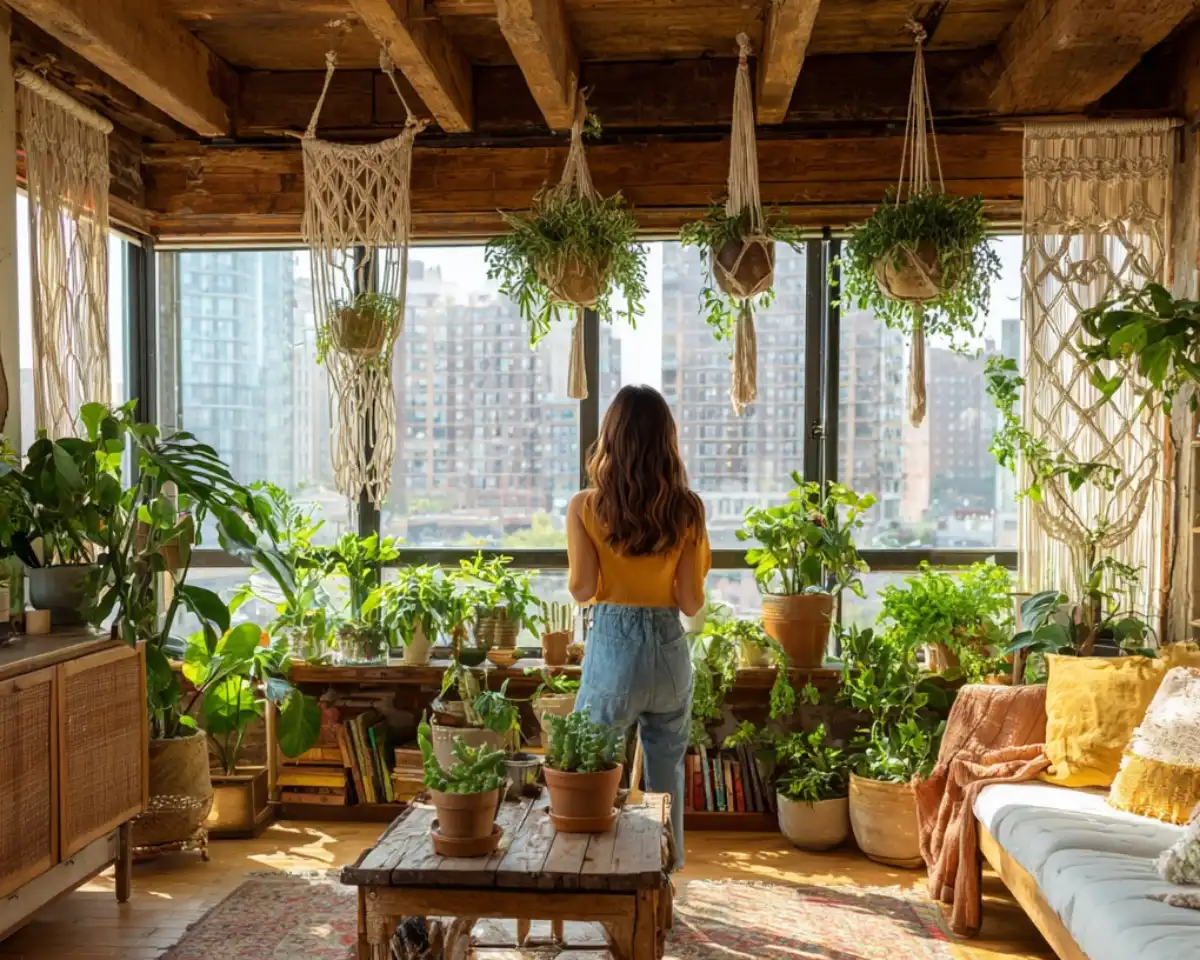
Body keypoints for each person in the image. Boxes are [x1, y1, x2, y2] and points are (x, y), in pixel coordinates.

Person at [566, 384, 710, 866]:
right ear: (666, 441)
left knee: (594, 774)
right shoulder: (688, 508)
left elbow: (583, 589)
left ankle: (598, 874)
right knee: (665, 776)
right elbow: (691, 602)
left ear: (611, 438)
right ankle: (664, 877)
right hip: (669, 652)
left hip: (613, 648)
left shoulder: (586, 506)